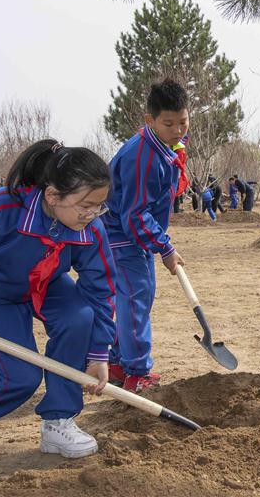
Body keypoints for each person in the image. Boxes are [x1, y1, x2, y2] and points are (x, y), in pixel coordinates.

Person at [0, 140, 116, 458]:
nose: (93, 215)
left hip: (45, 285)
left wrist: (98, 353)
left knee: (79, 316)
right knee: (19, 379)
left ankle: (58, 421)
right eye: (85, 206)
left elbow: (100, 289)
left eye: (100, 206)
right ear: (53, 196)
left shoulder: (89, 229)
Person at [102, 78, 190, 393]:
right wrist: (164, 248)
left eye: (183, 122)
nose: (178, 130)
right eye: (169, 124)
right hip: (123, 237)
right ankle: (137, 373)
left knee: (132, 298)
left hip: (132, 237)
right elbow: (135, 215)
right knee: (135, 300)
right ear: (149, 120)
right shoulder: (142, 155)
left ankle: (117, 363)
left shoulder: (162, 145)